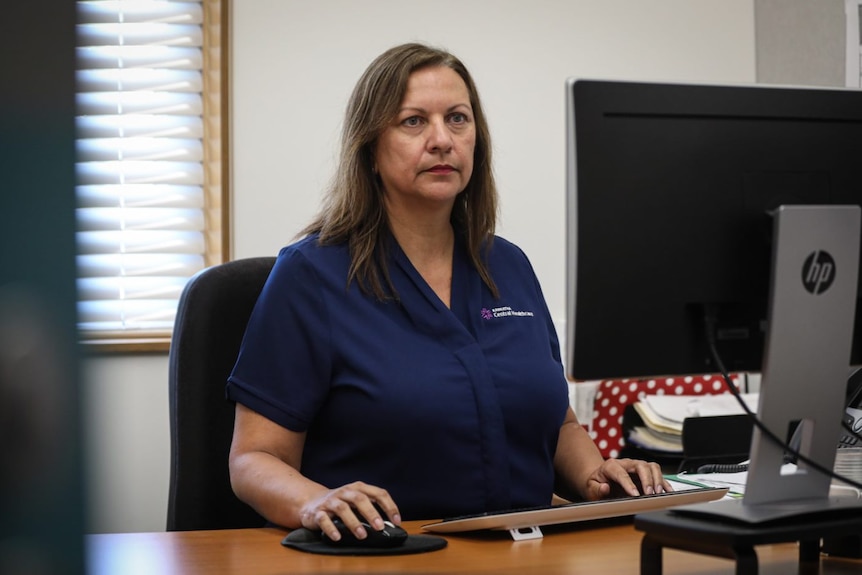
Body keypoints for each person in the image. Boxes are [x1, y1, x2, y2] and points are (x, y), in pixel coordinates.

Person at [226, 42, 671, 543]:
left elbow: (557, 422)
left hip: (525, 548)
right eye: (413, 121)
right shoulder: (312, 275)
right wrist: (315, 502)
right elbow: (253, 458)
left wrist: (597, 476)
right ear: (371, 146)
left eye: (457, 119)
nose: (442, 140)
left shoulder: (509, 265)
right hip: (385, 552)